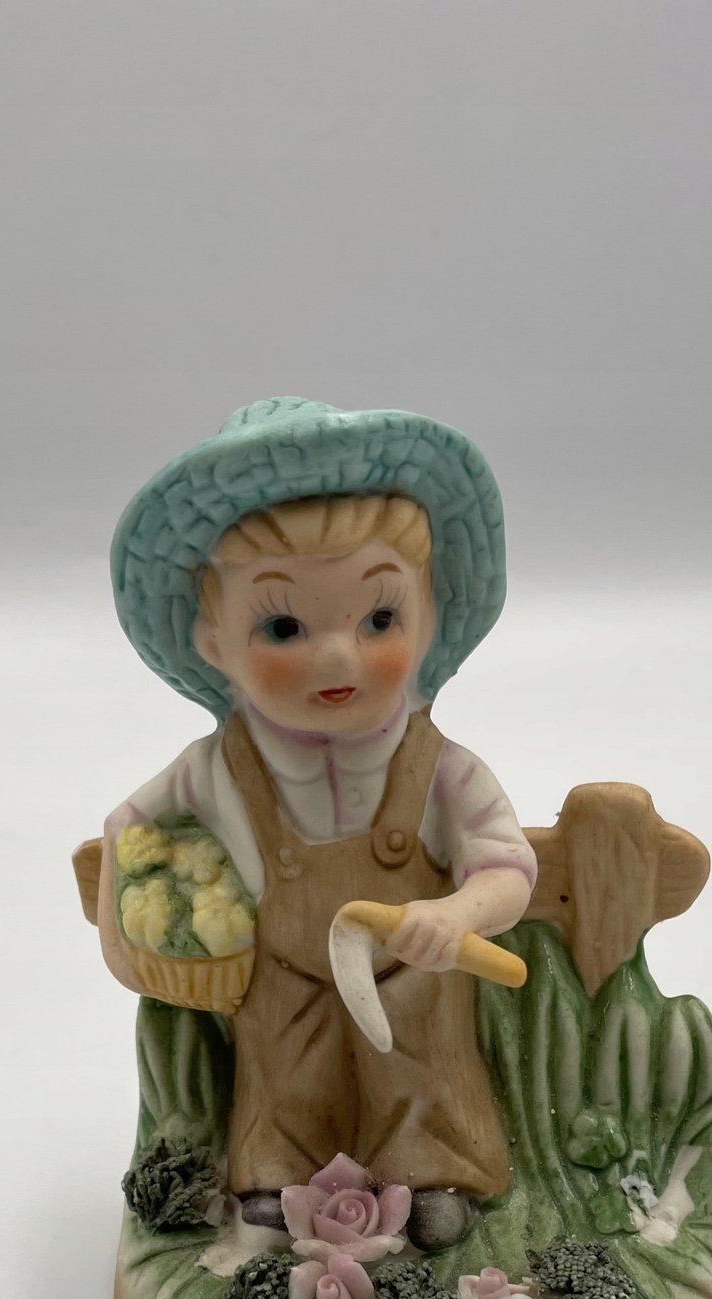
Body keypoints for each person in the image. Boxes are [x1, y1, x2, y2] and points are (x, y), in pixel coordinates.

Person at [101, 399, 534, 1249]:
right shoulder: (218, 769)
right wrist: (125, 936)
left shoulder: (437, 767)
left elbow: (507, 865)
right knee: (282, 1058)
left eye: (379, 618)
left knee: (421, 1043)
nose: (337, 657)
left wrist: (456, 913)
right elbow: (128, 823)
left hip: (409, 964)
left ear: (428, 616)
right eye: (283, 626)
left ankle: (434, 1168)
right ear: (213, 640)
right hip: (287, 971)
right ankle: (277, 1171)